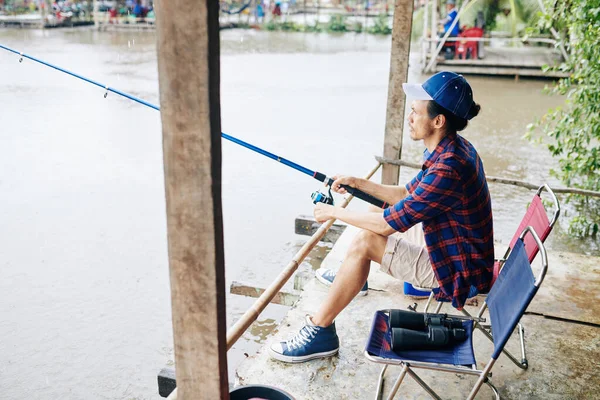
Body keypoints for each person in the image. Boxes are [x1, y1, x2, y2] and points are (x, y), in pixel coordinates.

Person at [269, 71, 494, 363]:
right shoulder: (452, 148)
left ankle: (320, 330)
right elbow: (404, 195)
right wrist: (357, 183)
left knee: (365, 241)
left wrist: (334, 213)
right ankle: (353, 277)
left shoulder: (448, 168)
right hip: (454, 247)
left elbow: (386, 225)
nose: (410, 118)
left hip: (458, 272)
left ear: (438, 121)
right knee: (376, 206)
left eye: (415, 112)